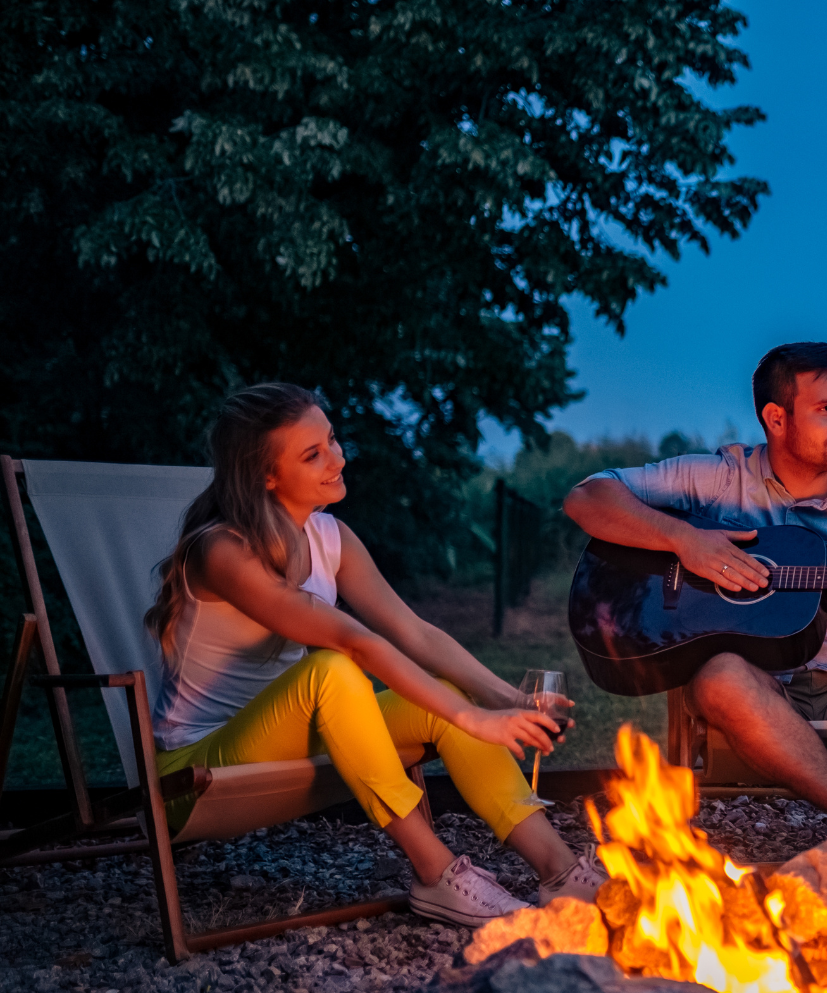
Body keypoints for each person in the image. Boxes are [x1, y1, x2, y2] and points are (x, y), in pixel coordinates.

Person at [147, 383, 604, 928]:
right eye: (312, 454)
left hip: (291, 739)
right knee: (332, 670)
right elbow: (353, 641)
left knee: (442, 698)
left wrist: (509, 702)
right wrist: (477, 720)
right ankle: (437, 876)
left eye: (333, 441)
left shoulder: (329, 536)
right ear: (265, 476)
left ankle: (559, 872)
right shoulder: (221, 550)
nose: (336, 459)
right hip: (197, 772)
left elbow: (415, 632)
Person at [563, 342, 827, 866]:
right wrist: (686, 542)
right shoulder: (718, 481)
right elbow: (587, 497)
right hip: (754, 688)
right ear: (776, 417)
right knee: (719, 676)